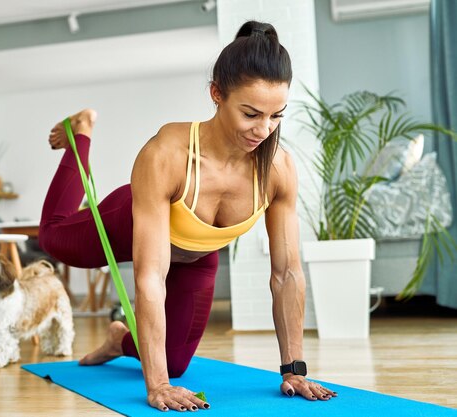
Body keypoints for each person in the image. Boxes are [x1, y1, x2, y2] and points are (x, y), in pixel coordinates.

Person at [38, 20, 336, 412]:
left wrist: (293, 369)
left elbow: (287, 273)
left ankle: (117, 340)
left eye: (276, 116)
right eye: (250, 114)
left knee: (175, 364)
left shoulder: (278, 168)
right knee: (54, 238)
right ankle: (81, 135)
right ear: (216, 94)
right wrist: (155, 385)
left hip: (196, 255)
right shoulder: (167, 154)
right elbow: (149, 276)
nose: (264, 129)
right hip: (131, 223)